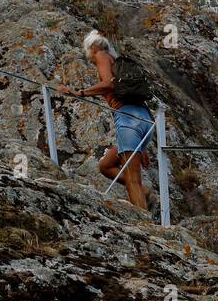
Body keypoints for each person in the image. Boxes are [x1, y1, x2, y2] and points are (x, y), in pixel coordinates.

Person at [57, 30, 152, 210]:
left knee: (132, 179)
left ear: (92, 47)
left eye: (88, 53)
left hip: (128, 119)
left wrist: (80, 93)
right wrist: (143, 145)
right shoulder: (116, 62)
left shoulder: (101, 55)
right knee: (106, 165)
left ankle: (146, 228)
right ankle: (144, 192)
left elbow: (109, 83)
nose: (91, 59)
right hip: (145, 119)